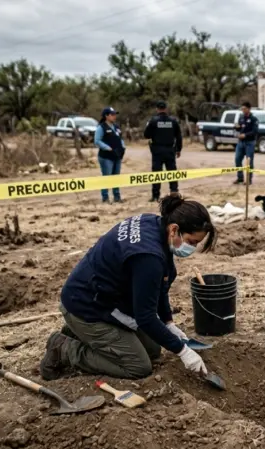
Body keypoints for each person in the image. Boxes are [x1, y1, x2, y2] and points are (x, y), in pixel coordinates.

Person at [39, 194, 217, 380]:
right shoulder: (148, 257)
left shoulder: (154, 224)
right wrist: (182, 351)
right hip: (87, 306)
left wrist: (168, 322)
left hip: (104, 295)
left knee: (153, 350)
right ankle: (65, 349)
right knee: (138, 366)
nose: (192, 248)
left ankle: (79, 333)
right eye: (191, 242)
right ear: (174, 229)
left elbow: (160, 281)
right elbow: (145, 317)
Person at [144, 101, 183, 203]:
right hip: (170, 150)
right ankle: (174, 192)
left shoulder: (153, 121)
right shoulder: (173, 121)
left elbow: (146, 135)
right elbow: (179, 136)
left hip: (157, 151)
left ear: (157, 109)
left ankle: (155, 195)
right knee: (172, 172)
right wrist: (179, 149)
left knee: (156, 173)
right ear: (166, 109)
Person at [93, 107, 125, 203]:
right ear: (106, 116)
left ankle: (117, 196)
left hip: (117, 155)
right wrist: (108, 148)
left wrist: (123, 146)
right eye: (112, 114)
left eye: (115, 114)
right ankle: (105, 197)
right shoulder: (101, 127)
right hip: (106, 156)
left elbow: (120, 138)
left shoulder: (116, 127)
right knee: (107, 177)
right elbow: (97, 141)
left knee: (116, 177)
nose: (114, 116)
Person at [233, 102, 258, 185]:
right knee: (237, 159)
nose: (243, 110)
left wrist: (245, 135)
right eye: (242, 109)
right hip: (241, 142)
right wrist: (237, 127)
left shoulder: (254, 119)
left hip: (250, 143)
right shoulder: (241, 118)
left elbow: (255, 131)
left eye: (244, 109)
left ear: (249, 109)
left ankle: (249, 180)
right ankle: (240, 178)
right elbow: (240, 127)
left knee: (249, 162)